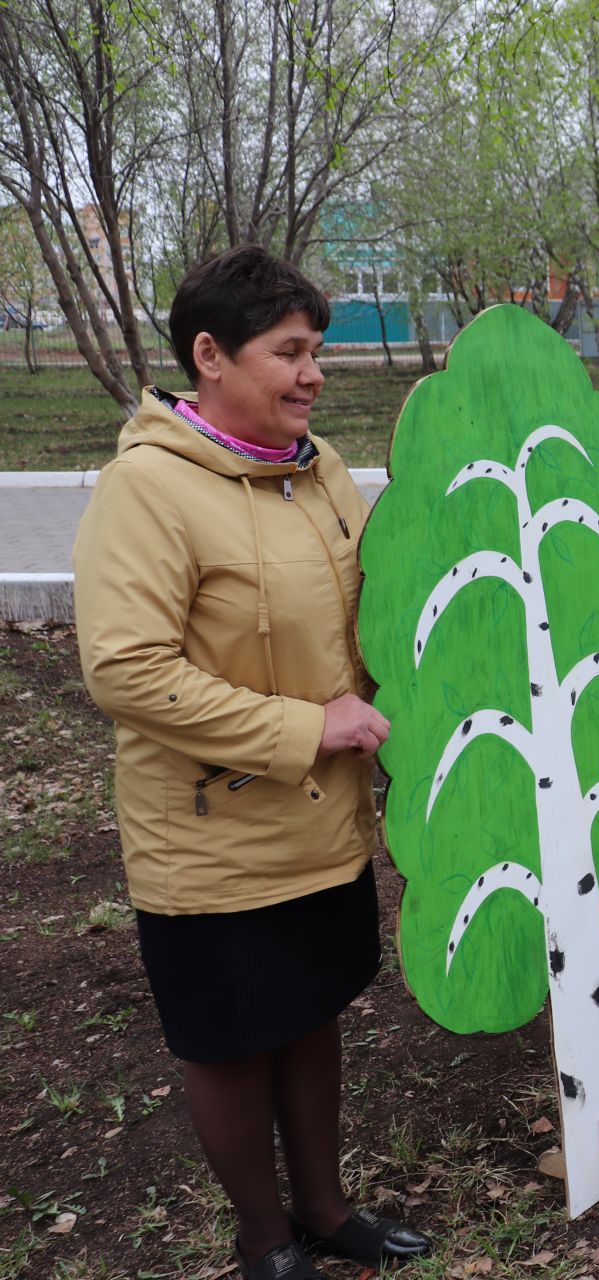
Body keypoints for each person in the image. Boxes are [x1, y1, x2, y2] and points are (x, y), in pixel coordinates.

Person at [72, 246, 427, 1279]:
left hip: (323, 826)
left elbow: (378, 619)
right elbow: (127, 670)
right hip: (211, 834)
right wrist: (305, 728)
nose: (313, 372)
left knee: (310, 1013)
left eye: (317, 351)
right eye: (291, 351)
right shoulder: (148, 489)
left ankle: (327, 1207)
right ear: (211, 356)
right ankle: (265, 1237)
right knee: (231, 1042)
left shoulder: (319, 471)